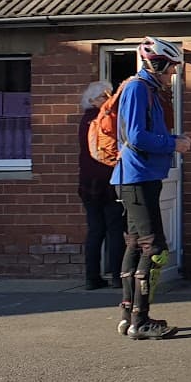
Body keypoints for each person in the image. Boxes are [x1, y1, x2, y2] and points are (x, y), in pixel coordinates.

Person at [112, 37, 191, 340]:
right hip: (136, 178)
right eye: (170, 68)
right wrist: (175, 143)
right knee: (155, 249)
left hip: (140, 177)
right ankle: (140, 320)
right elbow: (136, 137)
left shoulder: (148, 90)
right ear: (157, 63)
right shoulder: (137, 89)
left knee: (134, 245)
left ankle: (128, 316)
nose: (172, 74)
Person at [78, 81, 124, 290]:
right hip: (108, 180)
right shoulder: (105, 120)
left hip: (87, 182)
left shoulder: (84, 121)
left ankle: (91, 277)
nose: (108, 99)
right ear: (93, 100)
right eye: (104, 96)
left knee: (95, 230)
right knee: (115, 229)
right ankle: (117, 276)